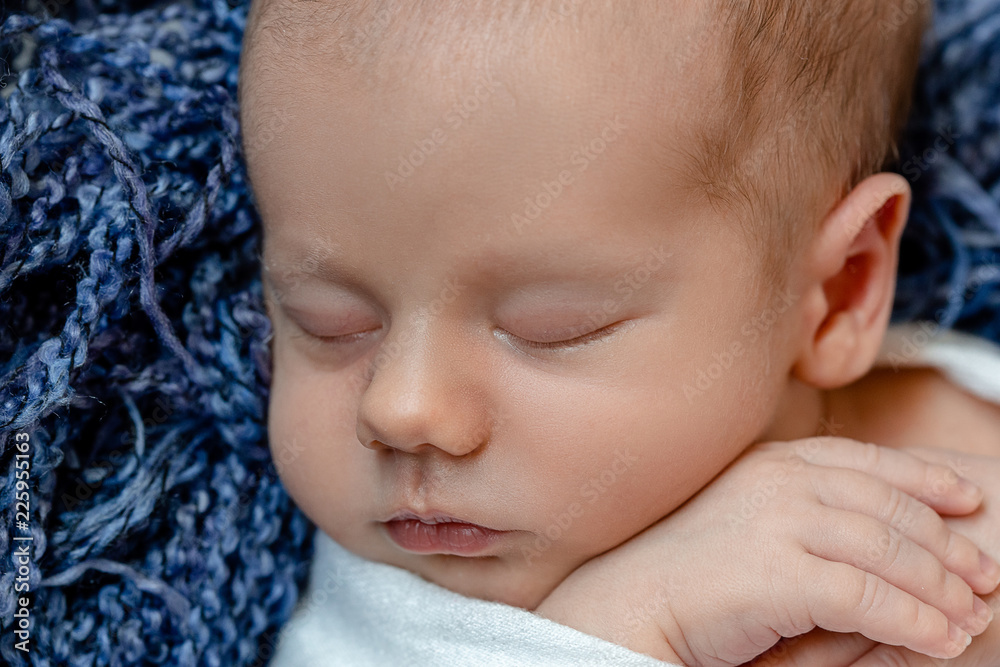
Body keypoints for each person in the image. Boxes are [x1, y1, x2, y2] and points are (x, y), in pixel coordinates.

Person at [235, 0, 1000, 664]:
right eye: (327, 322)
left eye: (551, 328)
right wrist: (631, 624)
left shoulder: (972, 434)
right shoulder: (403, 610)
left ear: (837, 291)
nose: (400, 408)